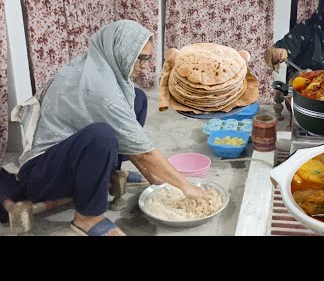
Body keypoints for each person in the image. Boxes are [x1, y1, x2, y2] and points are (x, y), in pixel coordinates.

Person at [1, 20, 209, 236]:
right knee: (101, 135)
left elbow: (131, 138)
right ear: (120, 50)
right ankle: (87, 217)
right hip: (43, 174)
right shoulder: (100, 89)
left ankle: (108, 172)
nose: (144, 65)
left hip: (70, 158)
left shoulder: (100, 66)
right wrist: (186, 187)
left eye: (147, 58)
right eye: (141, 58)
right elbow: (144, 152)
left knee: (137, 98)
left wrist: (154, 174)